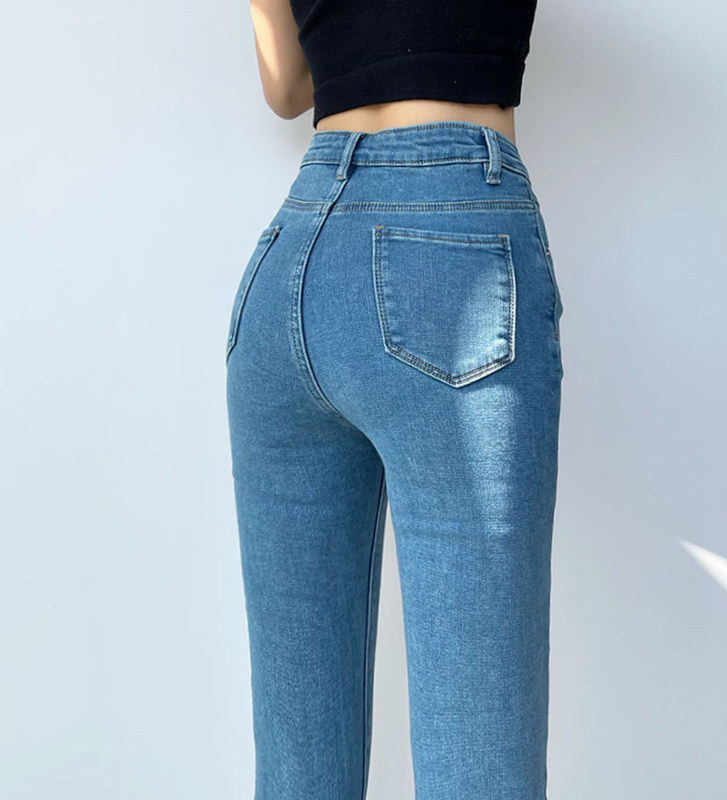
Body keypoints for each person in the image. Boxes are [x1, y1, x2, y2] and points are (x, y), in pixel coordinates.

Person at [226, 1, 564, 798]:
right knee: (479, 760)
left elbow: (287, 86)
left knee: (299, 766)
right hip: (446, 243)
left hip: (293, 257)